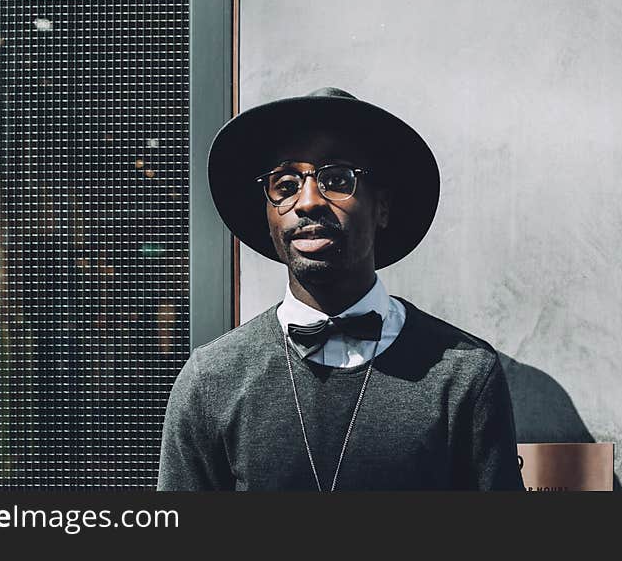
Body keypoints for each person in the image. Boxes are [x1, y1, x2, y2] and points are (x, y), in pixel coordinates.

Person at [157, 87, 523, 490]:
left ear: (381, 207)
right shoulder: (211, 380)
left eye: (335, 179)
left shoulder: (464, 375)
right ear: (268, 214)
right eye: (285, 184)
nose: (308, 200)